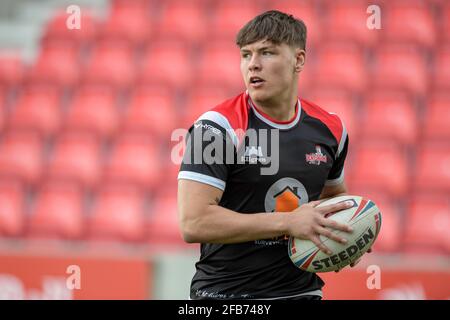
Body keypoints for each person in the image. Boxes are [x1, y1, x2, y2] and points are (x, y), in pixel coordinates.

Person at [177, 10, 369, 300]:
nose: (253, 65)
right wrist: (288, 222)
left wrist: (347, 233)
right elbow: (194, 223)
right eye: (245, 55)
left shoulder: (331, 129)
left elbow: (334, 200)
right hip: (226, 296)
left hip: (302, 293)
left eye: (267, 53)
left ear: (299, 60)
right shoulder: (216, 128)